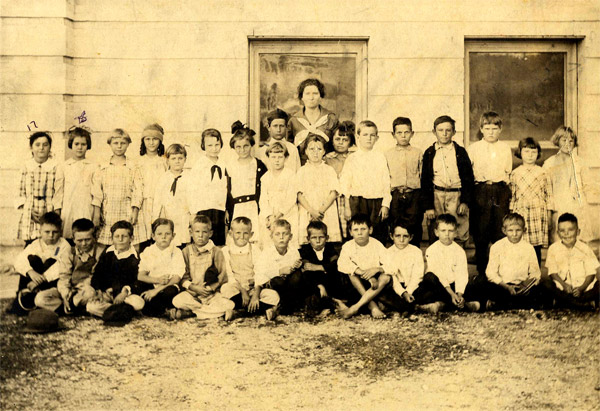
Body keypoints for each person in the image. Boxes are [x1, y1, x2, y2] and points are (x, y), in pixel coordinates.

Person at [467, 112, 513, 275]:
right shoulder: (474, 148)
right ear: (481, 129)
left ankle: (500, 271)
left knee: (500, 230)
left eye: (495, 128)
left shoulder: (505, 148)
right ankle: (481, 271)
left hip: (500, 190)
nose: (491, 132)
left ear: (500, 129)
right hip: (481, 190)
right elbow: (469, 173)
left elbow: (508, 172)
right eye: (487, 128)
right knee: (481, 231)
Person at [421, 115, 474, 247]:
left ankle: (457, 258)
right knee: (436, 227)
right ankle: (436, 261)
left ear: (454, 132)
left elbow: (468, 179)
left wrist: (465, 202)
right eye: (440, 130)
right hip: (437, 195)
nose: (444, 134)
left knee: (458, 228)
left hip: (456, 195)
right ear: (434, 132)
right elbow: (425, 180)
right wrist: (428, 206)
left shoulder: (460, 152)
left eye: (448, 130)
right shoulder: (429, 153)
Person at [91, 129, 146, 250]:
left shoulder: (133, 166)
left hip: (127, 210)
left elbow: (138, 190)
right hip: (108, 209)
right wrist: (96, 213)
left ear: (128, 144)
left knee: (132, 241)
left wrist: (135, 210)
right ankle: (99, 267)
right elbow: (97, 192)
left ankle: (133, 265)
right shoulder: (103, 166)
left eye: (123, 143)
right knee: (103, 242)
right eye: (116, 143)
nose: (119, 146)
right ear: (110, 144)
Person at [340, 120, 391, 244]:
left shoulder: (380, 157)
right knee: (359, 233)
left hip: (376, 202)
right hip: (357, 201)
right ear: (358, 137)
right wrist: (347, 207)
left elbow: (386, 182)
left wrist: (385, 204)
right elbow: (345, 184)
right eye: (365, 135)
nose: (369, 138)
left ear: (377, 138)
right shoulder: (352, 158)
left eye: (372, 135)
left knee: (377, 233)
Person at [171, 214, 232, 319]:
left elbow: (222, 276)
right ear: (191, 233)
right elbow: (183, 276)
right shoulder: (186, 251)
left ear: (210, 233)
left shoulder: (216, 251)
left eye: (204, 232)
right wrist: (193, 287)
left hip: (211, 294)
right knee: (177, 300)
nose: (200, 235)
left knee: (229, 304)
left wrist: (210, 288)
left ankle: (192, 313)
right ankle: (209, 312)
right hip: (192, 294)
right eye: (197, 232)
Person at [35, 218, 102, 314]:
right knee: (40, 298)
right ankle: (72, 307)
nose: (84, 244)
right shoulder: (69, 252)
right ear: (73, 239)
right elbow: (64, 276)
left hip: (86, 289)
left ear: (94, 237)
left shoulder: (100, 252)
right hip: (70, 288)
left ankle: (68, 307)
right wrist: (65, 294)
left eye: (87, 240)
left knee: (89, 294)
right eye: (79, 240)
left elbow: (96, 278)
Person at [219, 217, 280, 321]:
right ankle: (261, 310)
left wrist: (255, 295)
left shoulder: (255, 249)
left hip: (253, 289)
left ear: (251, 234)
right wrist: (242, 291)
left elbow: (260, 273)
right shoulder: (225, 251)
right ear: (230, 233)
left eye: (245, 233)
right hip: (237, 289)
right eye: (238, 233)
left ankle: (239, 311)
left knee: (274, 296)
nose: (241, 237)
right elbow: (229, 275)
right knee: (225, 290)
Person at [419, 214, 480, 313]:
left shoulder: (459, 251)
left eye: (450, 231)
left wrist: (459, 294)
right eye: (443, 231)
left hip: (454, 287)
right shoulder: (432, 250)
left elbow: (461, 275)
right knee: (429, 278)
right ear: (436, 232)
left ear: (456, 233)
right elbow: (440, 275)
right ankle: (464, 305)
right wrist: (452, 295)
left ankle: (445, 305)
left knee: (477, 282)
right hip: (441, 286)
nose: (447, 234)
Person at [12, 212, 71, 313]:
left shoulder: (64, 245)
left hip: (51, 282)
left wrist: (40, 279)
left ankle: (44, 302)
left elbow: (62, 266)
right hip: (35, 279)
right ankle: (26, 297)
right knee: (32, 259)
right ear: (40, 231)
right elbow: (19, 260)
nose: (51, 236)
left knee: (51, 261)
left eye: (55, 232)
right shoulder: (36, 244)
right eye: (47, 232)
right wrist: (30, 271)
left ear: (60, 231)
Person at [481, 213, 542, 310]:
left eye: (518, 230)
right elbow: (490, 273)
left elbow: (536, 273)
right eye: (510, 230)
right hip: (503, 286)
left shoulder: (529, 248)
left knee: (540, 290)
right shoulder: (497, 247)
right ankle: (513, 303)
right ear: (504, 230)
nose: (514, 234)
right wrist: (506, 287)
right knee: (485, 287)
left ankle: (500, 305)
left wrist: (525, 286)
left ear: (524, 230)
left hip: (523, 286)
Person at [543, 126, 593, 243]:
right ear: (558, 141)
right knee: (559, 240)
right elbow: (547, 189)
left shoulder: (580, 162)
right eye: (564, 140)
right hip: (559, 206)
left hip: (577, 206)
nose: (567, 144)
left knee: (579, 238)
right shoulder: (549, 163)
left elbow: (587, 185)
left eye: (571, 141)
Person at [540, 213, 599, 309]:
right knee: (545, 284)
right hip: (563, 289)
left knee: (598, 286)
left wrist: (581, 288)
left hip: (583, 289)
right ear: (558, 233)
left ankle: (570, 302)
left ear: (578, 232)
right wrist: (564, 285)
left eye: (570, 230)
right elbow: (552, 273)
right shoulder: (553, 249)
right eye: (562, 231)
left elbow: (591, 274)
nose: (566, 234)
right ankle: (578, 304)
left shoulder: (585, 249)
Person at [87, 220, 145, 317]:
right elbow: (97, 274)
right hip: (108, 293)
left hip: (126, 295)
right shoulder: (107, 254)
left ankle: (114, 312)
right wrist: (99, 291)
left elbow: (138, 281)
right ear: (112, 238)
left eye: (124, 236)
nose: (120, 239)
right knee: (90, 306)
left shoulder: (136, 257)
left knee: (139, 303)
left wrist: (125, 292)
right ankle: (120, 311)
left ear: (131, 238)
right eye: (117, 236)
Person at [337, 214, 390, 319]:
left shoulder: (377, 245)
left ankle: (355, 307)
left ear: (370, 230)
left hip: (375, 286)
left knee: (386, 277)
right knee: (351, 273)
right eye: (356, 230)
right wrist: (364, 274)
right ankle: (373, 307)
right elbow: (342, 264)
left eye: (363, 229)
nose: (360, 233)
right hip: (357, 285)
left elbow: (391, 264)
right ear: (351, 232)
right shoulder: (348, 246)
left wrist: (377, 269)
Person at [510, 137, 553, 264]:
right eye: (526, 152)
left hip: (538, 212)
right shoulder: (515, 173)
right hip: (521, 211)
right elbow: (513, 196)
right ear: (520, 153)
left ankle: (536, 276)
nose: (530, 155)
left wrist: (549, 214)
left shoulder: (543, 173)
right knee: (520, 244)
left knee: (535, 247)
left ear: (538, 154)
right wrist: (512, 213)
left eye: (533, 152)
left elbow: (549, 195)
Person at [16, 131, 63, 245]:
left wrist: (54, 215)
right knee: (31, 245)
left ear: (50, 147)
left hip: (48, 211)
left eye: (45, 145)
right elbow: (20, 192)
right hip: (30, 212)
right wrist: (28, 210)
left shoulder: (56, 167)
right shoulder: (26, 166)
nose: (41, 148)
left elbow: (58, 193)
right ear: (31, 148)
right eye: (37, 145)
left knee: (49, 243)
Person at [385, 116, 424, 247]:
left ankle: (415, 253)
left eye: (406, 132)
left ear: (412, 134)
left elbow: (422, 175)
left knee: (414, 224)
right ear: (393, 134)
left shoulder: (418, 153)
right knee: (395, 223)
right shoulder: (387, 154)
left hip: (413, 194)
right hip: (395, 194)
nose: (403, 136)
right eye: (399, 133)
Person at [226, 121, 267, 242]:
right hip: (237, 207)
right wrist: (227, 210)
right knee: (238, 239)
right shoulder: (230, 166)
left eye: (246, 146)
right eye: (238, 147)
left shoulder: (258, 165)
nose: (242, 150)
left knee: (255, 238)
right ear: (233, 147)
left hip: (254, 207)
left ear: (251, 145)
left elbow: (265, 189)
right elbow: (227, 190)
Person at [296, 134, 342, 244]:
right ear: (306, 151)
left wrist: (321, 211)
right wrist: (311, 210)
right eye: (311, 149)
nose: (315, 152)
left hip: (326, 210)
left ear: (324, 151)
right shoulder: (302, 171)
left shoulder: (329, 170)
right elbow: (299, 194)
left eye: (319, 149)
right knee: (309, 237)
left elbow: (334, 192)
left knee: (326, 238)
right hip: (308, 209)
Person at [187, 128, 229, 246]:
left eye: (217, 144)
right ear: (203, 146)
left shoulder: (223, 164)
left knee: (217, 243)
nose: (214, 148)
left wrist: (226, 209)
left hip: (219, 210)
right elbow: (192, 190)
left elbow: (226, 189)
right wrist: (193, 212)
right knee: (202, 240)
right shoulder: (199, 165)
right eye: (210, 145)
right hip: (203, 209)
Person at [254, 219, 303, 318]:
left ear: (290, 236)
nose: (281, 237)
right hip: (273, 284)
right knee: (279, 281)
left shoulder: (294, 252)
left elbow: (294, 272)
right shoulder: (267, 253)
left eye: (285, 234)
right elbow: (260, 273)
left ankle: (280, 308)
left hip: (288, 285)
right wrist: (279, 271)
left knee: (298, 276)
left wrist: (296, 266)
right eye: (277, 234)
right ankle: (284, 307)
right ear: (271, 237)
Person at [136, 218, 184, 318]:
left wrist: (156, 291)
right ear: (153, 236)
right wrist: (157, 280)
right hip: (152, 284)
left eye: (167, 234)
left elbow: (177, 278)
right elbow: (141, 275)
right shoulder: (148, 251)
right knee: (138, 286)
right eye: (159, 234)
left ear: (173, 236)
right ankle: (164, 310)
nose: (163, 237)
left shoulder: (176, 252)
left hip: (167, 287)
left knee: (171, 292)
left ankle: (153, 309)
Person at [299, 221, 346, 316]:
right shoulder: (305, 250)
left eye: (321, 237)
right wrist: (320, 285)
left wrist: (318, 267)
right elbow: (307, 269)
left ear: (327, 238)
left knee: (336, 273)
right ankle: (328, 305)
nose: (317, 241)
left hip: (329, 282)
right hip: (315, 284)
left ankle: (334, 301)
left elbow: (335, 264)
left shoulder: (330, 248)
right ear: (308, 239)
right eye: (313, 238)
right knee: (307, 277)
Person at [59, 126, 97, 241]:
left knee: (85, 238)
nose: (80, 148)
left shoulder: (93, 167)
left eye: (83, 144)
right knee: (67, 239)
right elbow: (58, 193)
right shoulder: (64, 166)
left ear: (88, 146)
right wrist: (58, 214)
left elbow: (97, 194)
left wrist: (96, 215)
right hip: (68, 210)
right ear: (71, 144)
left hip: (85, 209)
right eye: (76, 144)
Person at [287, 78, 339, 163]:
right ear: (302, 97)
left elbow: (338, 144)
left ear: (320, 96)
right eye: (307, 94)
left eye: (315, 93)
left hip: (326, 165)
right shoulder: (294, 120)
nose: (311, 98)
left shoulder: (331, 118)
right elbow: (288, 147)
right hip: (301, 166)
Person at [259, 142, 299, 247]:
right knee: (269, 242)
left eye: (280, 157)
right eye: (273, 157)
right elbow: (263, 199)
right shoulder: (265, 177)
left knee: (287, 240)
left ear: (286, 158)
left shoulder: (291, 175)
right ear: (268, 158)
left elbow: (291, 198)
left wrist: (277, 215)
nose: (277, 160)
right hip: (270, 216)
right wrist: (269, 216)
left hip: (287, 214)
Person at [380, 221, 425, 313]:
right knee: (383, 293)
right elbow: (392, 277)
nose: (401, 240)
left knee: (427, 287)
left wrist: (409, 291)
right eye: (398, 236)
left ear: (411, 237)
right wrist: (403, 293)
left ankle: (400, 306)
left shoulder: (416, 252)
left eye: (405, 236)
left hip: (413, 287)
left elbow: (417, 276)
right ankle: (412, 306)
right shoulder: (387, 253)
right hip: (396, 287)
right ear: (391, 236)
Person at [153, 144, 191, 247]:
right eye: (173, 158)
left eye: (180, 158)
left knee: (183, 243)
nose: (177, 161)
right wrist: (155, 220)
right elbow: (157, 201)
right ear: (168, 160)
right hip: (168, 216)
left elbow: (193, 199)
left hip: (184, 217)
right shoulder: (163, 178)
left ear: (185, 159)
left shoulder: (190, 178)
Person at [137, 123, 168, 251]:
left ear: (160, 141)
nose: (151, 143)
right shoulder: (138, 162)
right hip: (144, 204)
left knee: (159, 233)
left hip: (160, 203)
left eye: (154, 139)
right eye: (147, 139)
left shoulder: (164, 161)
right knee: (144, 236)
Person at [324, 121, 356, 239]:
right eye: (337, 139)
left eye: (345, 140)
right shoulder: (327, 158)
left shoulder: (355, 157)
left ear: (350, 142)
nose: (341, 143)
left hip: (351, 197)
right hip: (333, 197)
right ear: (332, 140)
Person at [256, 108, 300, 172]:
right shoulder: (261, 151)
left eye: (281, 126)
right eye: (275, 126)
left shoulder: (292, 149)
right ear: (268, 127)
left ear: (286, 127)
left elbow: (297, 174)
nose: (278, 130)